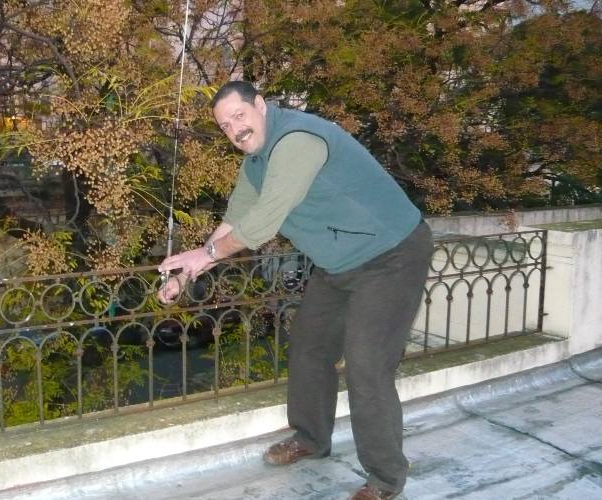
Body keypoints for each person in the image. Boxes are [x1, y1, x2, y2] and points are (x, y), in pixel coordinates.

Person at [157, 81, 433, 500]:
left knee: (366, 364)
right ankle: (310, 438)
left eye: (239, 115)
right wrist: (187, 273)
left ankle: (384, 479)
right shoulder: (256, 163)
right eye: (225, 125)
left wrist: (206, 253)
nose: (235, 129)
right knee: (308, 347)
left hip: (390, 256)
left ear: (261, 105)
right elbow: (235, 221)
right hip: (339, 265)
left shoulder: (297, 140)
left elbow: (261, 224)